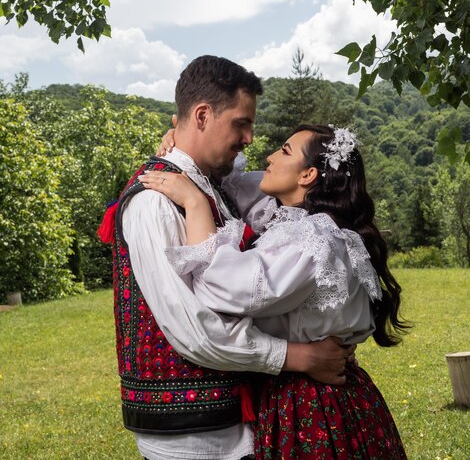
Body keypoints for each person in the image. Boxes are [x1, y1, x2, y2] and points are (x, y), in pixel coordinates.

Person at [98, 56, 355, 460]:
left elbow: (269, 194)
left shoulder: (212, 187)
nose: (250, 139)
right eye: (241, 123)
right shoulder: (154, 202)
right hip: (192, 434)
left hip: (230, 418)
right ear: (202, 115)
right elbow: (194, 330)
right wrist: (299, 356)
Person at [139, 123, 408, 459]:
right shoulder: (301, 223)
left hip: (311, 401)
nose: (268, 156)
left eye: (284, 151)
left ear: (308, 175)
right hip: (329, 391)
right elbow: (234, 185)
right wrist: (184, 142)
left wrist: (195, 203)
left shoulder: (312, 241)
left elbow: (223, 290)